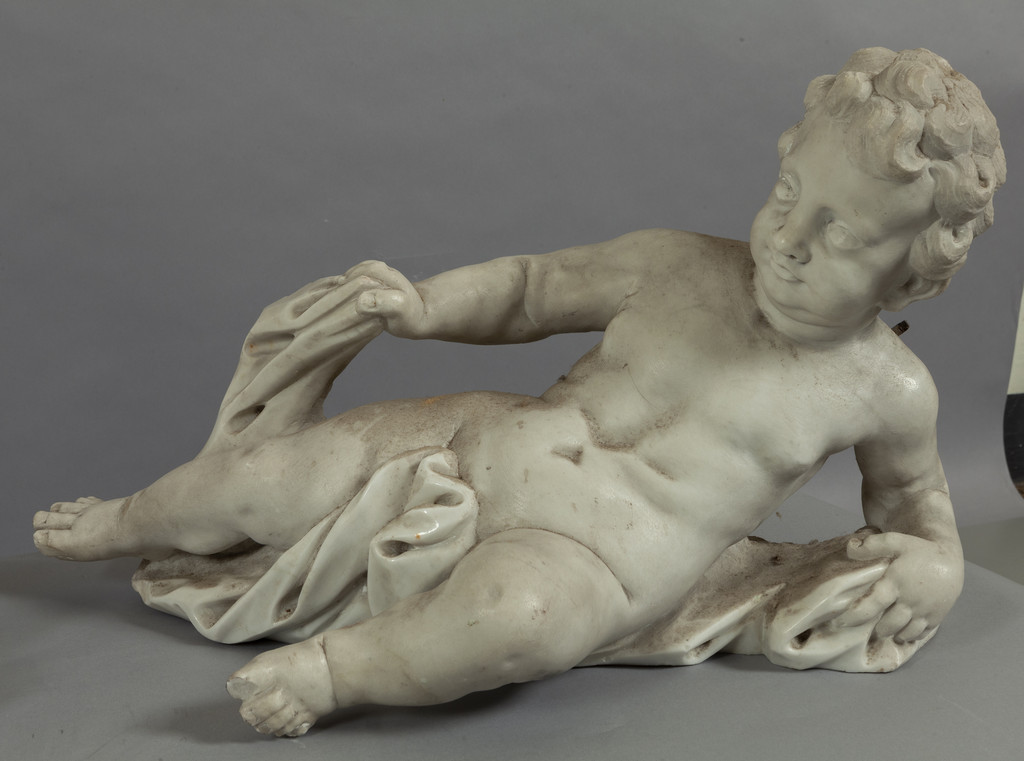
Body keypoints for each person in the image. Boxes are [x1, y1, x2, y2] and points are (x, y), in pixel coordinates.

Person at [33, 47, 1004, 737]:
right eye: (788, 197)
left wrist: (936, 571)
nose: (789, 240)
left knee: (516, 621)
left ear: (908, 275)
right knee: (270, 476)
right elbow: (533, 288)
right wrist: (423, 306)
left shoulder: (887, 390)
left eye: (840, 234)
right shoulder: (676, 264)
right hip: (481, 439)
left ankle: (335, 672)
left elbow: (919, 512)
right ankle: (128, 517)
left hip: (595, 560)